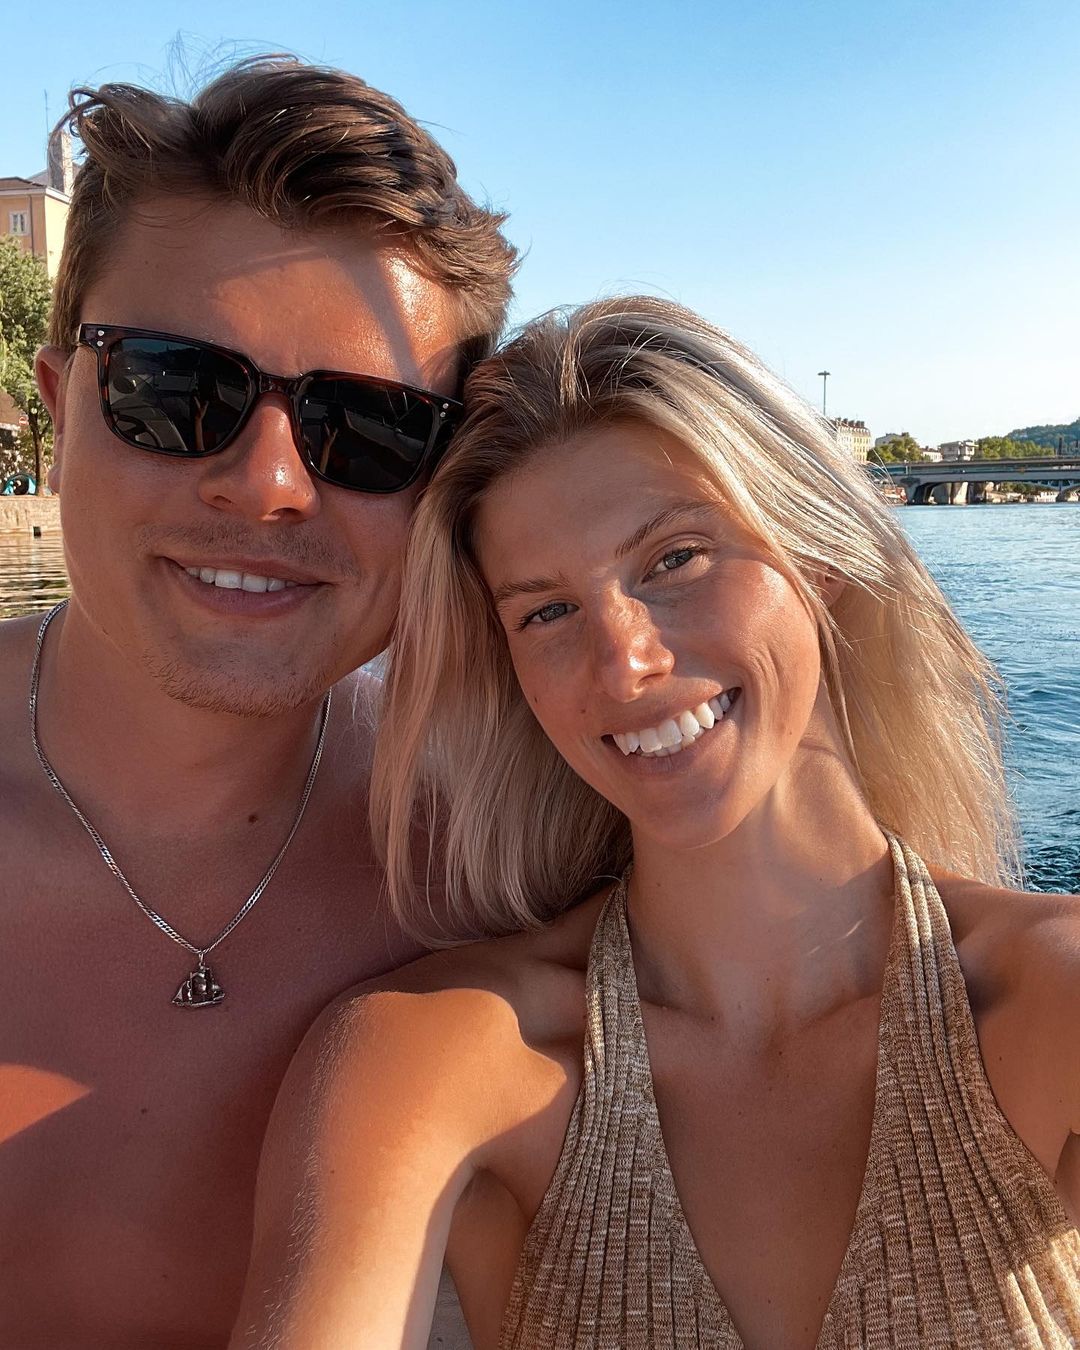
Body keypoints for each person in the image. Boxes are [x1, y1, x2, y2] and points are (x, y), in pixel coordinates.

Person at [233, 297, 1080, 1349]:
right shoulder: (441, 1056)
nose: (623, 661)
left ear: (818, 559)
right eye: (547, 611)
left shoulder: (1045, 1000)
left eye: (675, 559)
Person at [0, 56, 515, 1349]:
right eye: (176, 389)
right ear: (60, 411)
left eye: (371, 427)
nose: (270, 483)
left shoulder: (502, 850)